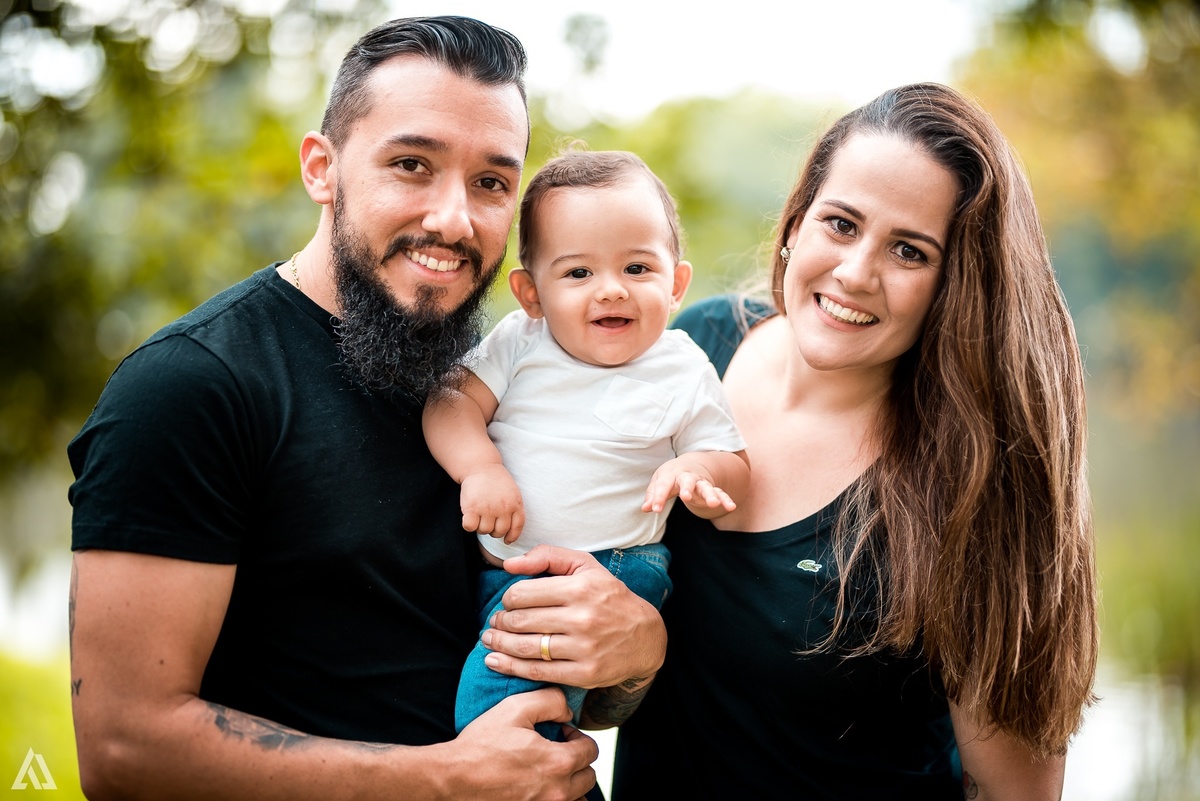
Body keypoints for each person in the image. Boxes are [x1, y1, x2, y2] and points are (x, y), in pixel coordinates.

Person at [66, 16, 666, 801]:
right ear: (323, 167)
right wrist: (444, 780)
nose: (454, 219)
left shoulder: (506, 372)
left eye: (491, 181)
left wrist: (637, 648)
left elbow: (571, 668)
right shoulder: (190, 387)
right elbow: (123, 749)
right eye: (412, 164)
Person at [612, 83, 1098, 800]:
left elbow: (1015, 792)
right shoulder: (692, 351)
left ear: (953, 285)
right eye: (841, 224)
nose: (856, 272)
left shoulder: (973, 484)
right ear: (796, 223)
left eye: (909, 250)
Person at [422, 150, 750, 740]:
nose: (612, 292)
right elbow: (451, 405)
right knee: (517, 694)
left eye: (638, 269)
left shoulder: (680, 364)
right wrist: (481, 469)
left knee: (494, 703)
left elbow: (734, 463)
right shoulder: (521, 342)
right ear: (531, 294)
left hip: (616, 568)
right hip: (506, 569)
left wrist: (699, 473)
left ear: (676, 283)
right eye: (578, 274)